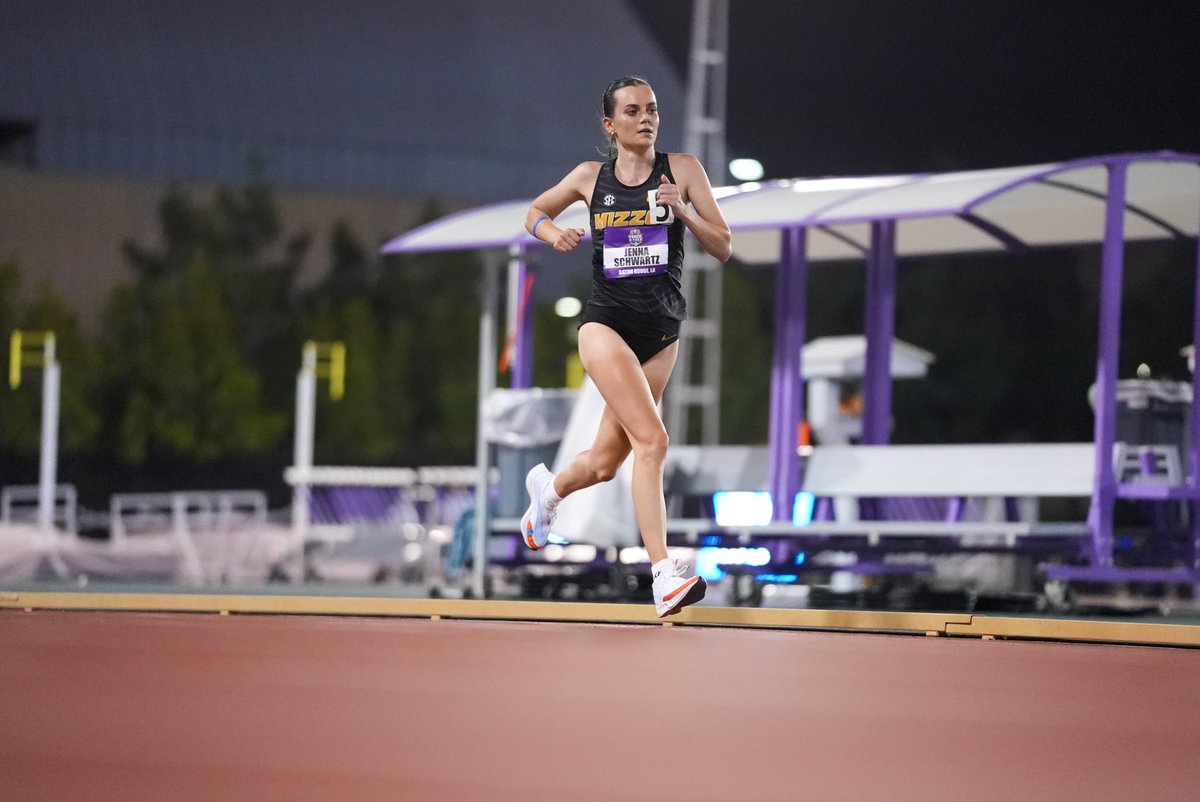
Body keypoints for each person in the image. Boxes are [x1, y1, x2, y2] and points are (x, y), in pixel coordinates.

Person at [521, 76, 732, 617]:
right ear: (610, 125)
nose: (647, 118)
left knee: (605, 464)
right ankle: (663, 573)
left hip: (661, 335)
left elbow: (724, 245)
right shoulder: (591, 178)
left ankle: (549, 491)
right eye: (634, 111)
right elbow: (535, 212)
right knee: (654, 442)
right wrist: (553, 234)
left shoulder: (682, 170)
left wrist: (682, 212)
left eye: (654, 109)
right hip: (605, 327)